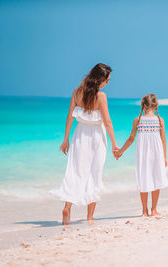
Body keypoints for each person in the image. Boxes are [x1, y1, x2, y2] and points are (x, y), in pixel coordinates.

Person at [50, 63, 119, 225]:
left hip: (79, 136)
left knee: (75, 171)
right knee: (94, 174)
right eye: (107, 80)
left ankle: (67, 208)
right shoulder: (101, 96)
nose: (107, 84)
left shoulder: (76, 92)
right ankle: (90, 217)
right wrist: (115, 145)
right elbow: (107, 122)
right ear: (100, 79)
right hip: (96, 137)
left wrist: (65, 139)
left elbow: (70, 117)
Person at [116, 94, 168, 216]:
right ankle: (154, 210)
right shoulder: (160, 121)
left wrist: (120, 151)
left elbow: (131, 138)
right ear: (156, 106)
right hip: (157, 154)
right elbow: (163, 140)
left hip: (142, 155)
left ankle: (144, 210)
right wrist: (164, 157)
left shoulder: (138, 120)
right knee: (156, 179)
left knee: (144, 179)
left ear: (143, 106)